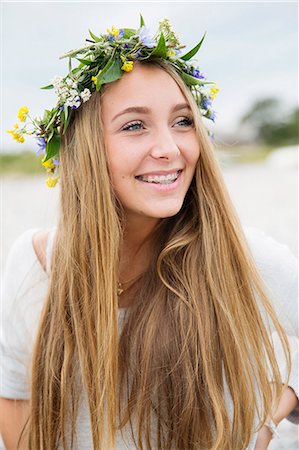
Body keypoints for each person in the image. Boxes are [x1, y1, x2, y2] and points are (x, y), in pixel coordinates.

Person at [1, 17, 298, 450]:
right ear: (85, 150)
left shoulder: (238, 255)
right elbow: (15, 404)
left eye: (182, 121)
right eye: (134, 126)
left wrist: (272, 407)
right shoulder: (33, 265)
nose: (170, 148)